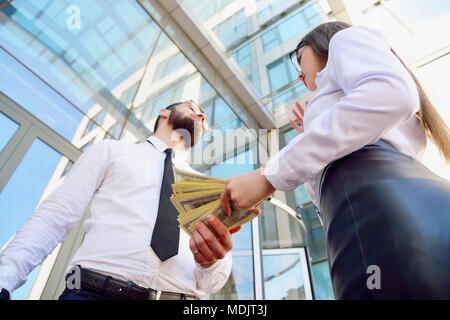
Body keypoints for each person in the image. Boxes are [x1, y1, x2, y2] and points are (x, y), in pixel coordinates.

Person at [220, 22, 450, 299]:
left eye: (298, 58)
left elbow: (392, 94)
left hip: (377, 213)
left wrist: (268, 176)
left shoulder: (345, 38)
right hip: (387, 212)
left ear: (321, 44)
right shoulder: (345, 99)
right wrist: (313, 138)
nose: (299, 76)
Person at [0, 101, 237, 300]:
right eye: (193, 107)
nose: (202, 115)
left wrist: (212, 262)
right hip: (95, 293)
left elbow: (210, 283)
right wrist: (4, 279)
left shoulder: (206, 187)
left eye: (204, 120)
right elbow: (54, 218)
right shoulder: (111, 151)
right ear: (164, 112)